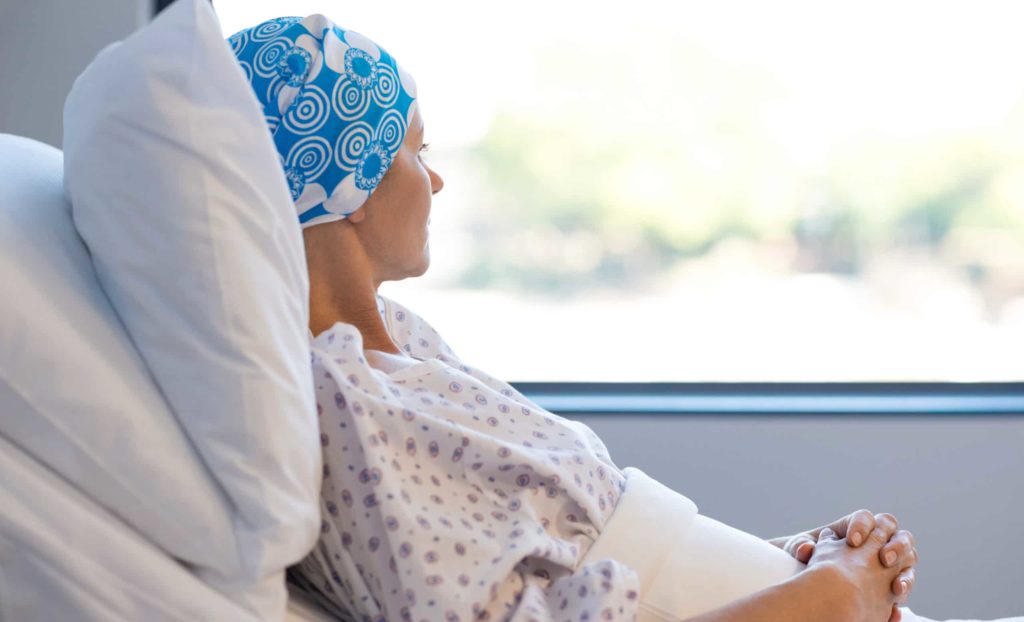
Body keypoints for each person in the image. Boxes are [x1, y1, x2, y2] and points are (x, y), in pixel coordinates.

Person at [228, 16, 1017, 622]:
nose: (435, 181)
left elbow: (586, 548)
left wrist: (797, 560)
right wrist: (828, 598)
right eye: (414, 150)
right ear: (353, 179)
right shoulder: (340, 403)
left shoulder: (404, 346)